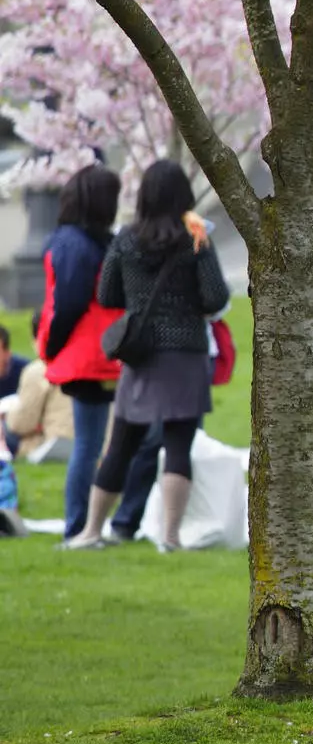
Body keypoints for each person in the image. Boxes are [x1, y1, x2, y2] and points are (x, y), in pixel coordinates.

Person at [64, 161, 231, 551]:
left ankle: (91, 531)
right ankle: (170, 537)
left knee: (121, 443)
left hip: (140, 355)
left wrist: (138, 302)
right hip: (186, 353)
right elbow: (216, 296)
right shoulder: (194, 238)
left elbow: (106, 294)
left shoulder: (125, 238)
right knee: (178, 445)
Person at [38, 164, 123, 540]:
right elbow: (72, 301)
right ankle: (84, 526)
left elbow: (66, 300)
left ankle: (83, 527)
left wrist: (52, 345)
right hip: (102, 355)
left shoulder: (71, 241)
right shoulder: (91, 242)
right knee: (94, 445)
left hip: (87, 356)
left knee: (90, 445)